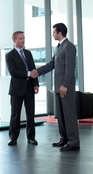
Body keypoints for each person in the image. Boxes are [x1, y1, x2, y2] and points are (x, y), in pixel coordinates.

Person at [33, 23, 80, 151]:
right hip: (59, 86)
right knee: (61, 114)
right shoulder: (58, 47)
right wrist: (37, 72)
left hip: (65, 87)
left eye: (54, 32)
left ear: (60, 33)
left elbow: (70, 69)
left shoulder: (69, 46)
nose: (53, 34)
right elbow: (52, 64)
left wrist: (65, 85)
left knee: (69, 114)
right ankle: (64, 138)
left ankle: (73, 141)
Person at [5, 31, 39, 146]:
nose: (22, 40)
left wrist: (35, 84)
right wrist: (29, 74)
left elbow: (33, 69)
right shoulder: (9, 55)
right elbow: (13, 72)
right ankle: (13, 138)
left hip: (29, 87)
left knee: (30, 114)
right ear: (14, 40)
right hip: (16, 89)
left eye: (23, 38)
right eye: (20, 38)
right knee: (15, 114)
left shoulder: (28, 53)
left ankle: (31, 137)